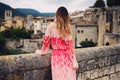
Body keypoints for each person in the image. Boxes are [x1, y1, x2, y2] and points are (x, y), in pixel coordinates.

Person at [35, 6, 78, 80]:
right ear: (66, 16)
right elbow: (71, 48)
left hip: (57, 58)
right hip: (67, 59)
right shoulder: (67, 27)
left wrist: (41, 51)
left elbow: (46, 43)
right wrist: (74, 61)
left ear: (57, 15)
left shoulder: (51, 26)